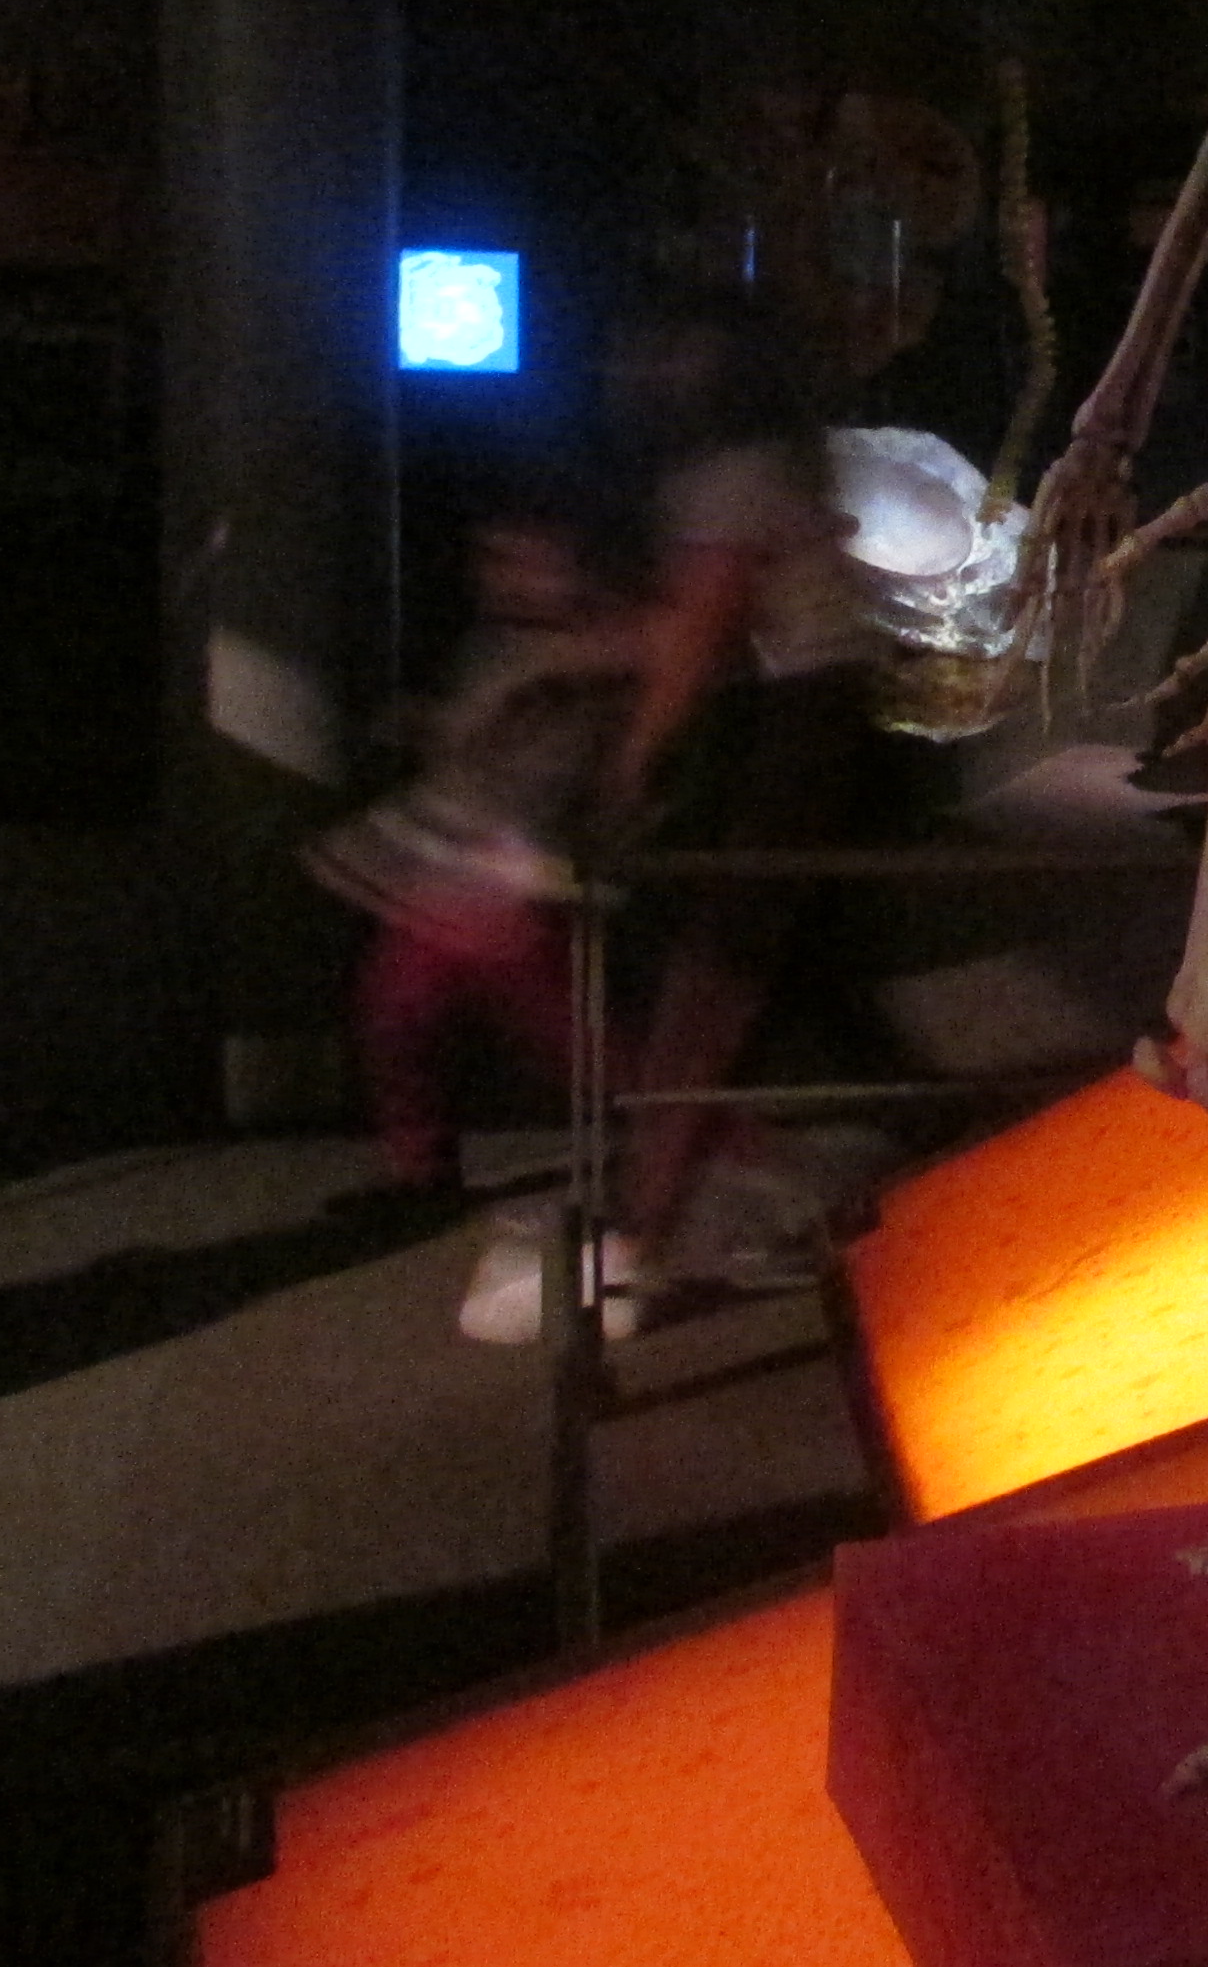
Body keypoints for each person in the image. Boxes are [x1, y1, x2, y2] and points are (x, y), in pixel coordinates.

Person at [587, 287, 883, 1304]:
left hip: (784, 737)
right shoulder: (780, 463)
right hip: (819, 730)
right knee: (778, 990)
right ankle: (832, 1200)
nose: (637, 370)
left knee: (705, 993)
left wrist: (632, 763)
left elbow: (699, 632)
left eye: (662, 349)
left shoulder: (730, 476)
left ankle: (644, 1237)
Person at [308, 505, 633, 1199]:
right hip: (458, 863)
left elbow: (624, 657)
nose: (507, 579)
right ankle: (419, 1167)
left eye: (527, 562)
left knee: (559, 1033)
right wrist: (435, 725)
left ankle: (707, 1138)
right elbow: (479, 739)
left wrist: (531, 678)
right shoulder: (499, 645)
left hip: (506, 867)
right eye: (496, 561)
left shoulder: (581, 647)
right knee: (404, 1008)